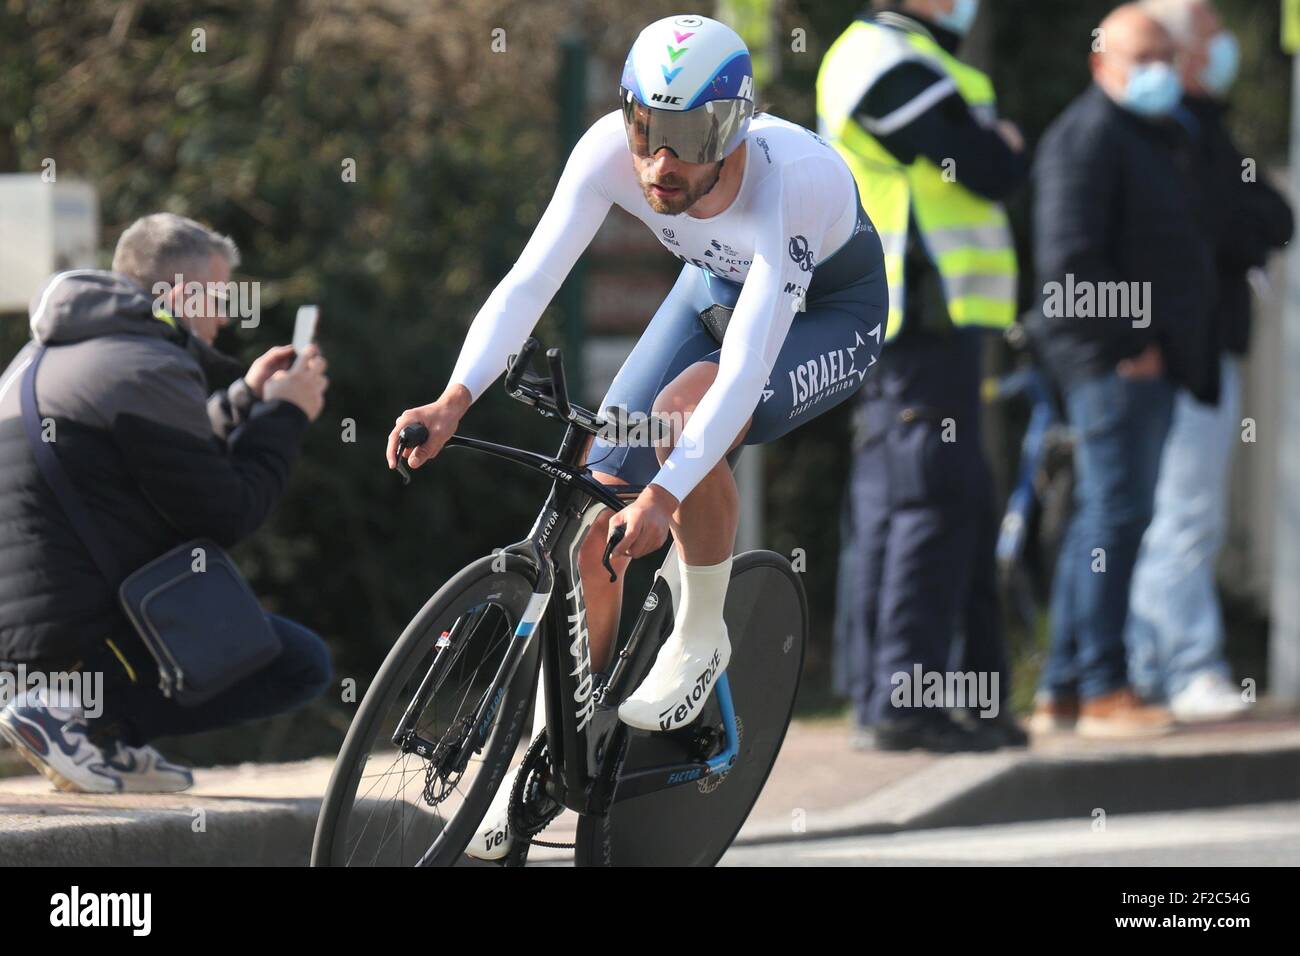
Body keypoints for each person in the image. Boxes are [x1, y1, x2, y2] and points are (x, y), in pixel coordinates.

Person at [387, 15, 887, 858]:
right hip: (710, 288)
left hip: (829, 314)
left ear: (733, 130)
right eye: (646, 130)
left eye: (687, 140)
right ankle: (547, 759)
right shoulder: (605, 153)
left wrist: (667, 491)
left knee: (684, 418)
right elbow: (528, 281)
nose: (659, 163)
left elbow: (741, 371)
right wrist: (454, 399)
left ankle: (701, 634)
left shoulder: (792, 183)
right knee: (597, 526)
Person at [0, 213, 332, 793]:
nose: (226, 317)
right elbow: (225, 511)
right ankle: (74, 715)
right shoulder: (150, 363)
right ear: (182, 294)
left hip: (24, 636)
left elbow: (159, 454)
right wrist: (286, 414)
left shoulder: (41, 357)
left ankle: (96, 736)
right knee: (299, 664)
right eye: (220, 299)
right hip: (76, 643)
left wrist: (248, 396)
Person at [819, 0, 1028, 752]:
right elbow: (987, 165)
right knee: (928, 503)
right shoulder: (884, 57)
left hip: (917, 326)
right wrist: (996, 142)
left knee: (908, 503)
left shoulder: (906, 55)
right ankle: (904, 703)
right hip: (919, 322)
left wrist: (990, 143)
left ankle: (896, 697)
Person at [1028, 4, 1217, 738]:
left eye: (1169, 57)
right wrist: (1131, 343)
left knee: (1108, 518)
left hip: (1140, 365)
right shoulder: (1088, 137)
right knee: (1112, 517)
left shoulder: (1150, 133)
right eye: (1146, 58)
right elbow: (1066, 263)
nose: (1161, 73)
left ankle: (1068, 687)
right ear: (1102, 62)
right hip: (1112, 366)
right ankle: (1100, 685)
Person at [1125, 0, 1293, 720]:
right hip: (1179, 353)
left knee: (1184, 511)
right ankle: (1180, 666)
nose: (1222, 45)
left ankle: (1161, 666)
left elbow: (1270, 217)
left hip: (1202, 346)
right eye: (1211, 32)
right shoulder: (1164, 136)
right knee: (1182, 513)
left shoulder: (1202, 130)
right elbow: (1220, 224)